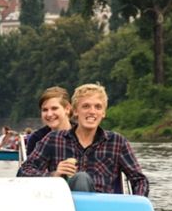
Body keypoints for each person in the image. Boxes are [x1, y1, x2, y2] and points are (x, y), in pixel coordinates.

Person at [17, 83, 149, 196]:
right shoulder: (54, 139)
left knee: (82, 178)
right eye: (86, 106)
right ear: (75, 111)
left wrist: (136, 205)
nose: (92, 111)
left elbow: (139, 180)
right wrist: (54, 175)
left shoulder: (117, 142)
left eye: (98, 107)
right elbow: (23, 172)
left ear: (103, 113)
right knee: (81, 178)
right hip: (64, 210)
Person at [27, 86, 73, 156]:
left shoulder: (82, 134)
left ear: (67, 109)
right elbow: (30, 166)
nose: (49, 114)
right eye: (45, 110)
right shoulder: (37, 139)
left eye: (54, 108)